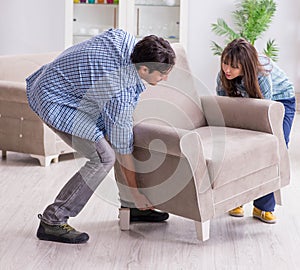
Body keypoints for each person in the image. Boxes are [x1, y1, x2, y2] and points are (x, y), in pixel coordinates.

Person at [26, 28, 176, 244]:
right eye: (162, 74)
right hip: (55, 99)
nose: (165, 78)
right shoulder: (119, 94)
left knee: (116, 137)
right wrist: (136, 194)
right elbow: (123, 151)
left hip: (64, 85)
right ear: (143, 69)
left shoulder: (123, 39)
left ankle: (131, 210)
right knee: (104, 156)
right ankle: (53, 220)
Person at [216, 38, 295, 224]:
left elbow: (262, 117)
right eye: (225, 63)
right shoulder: (223, 76)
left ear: (245, 66)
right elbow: (222, 107)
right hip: (249, 103)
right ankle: (236, 199)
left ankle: (263, 207)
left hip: (279, 102)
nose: (227, 69)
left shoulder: (262, 75)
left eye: (233, 67)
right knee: (238, 149)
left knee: (272, 148)